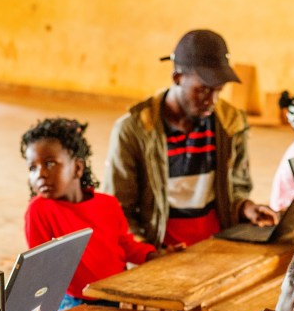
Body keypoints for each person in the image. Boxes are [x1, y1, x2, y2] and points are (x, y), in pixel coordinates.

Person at [104, 29, 278, 249]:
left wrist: (245, 207)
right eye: (203, 90)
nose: (212, 100)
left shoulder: (230, 124)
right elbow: (119, 210)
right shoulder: (134, 130)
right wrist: (147, 253)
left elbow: (236, 188)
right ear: (177, 78)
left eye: (218, 90)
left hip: (217, 244)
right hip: (159, 250)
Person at [21, 117, 158, 310]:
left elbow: (125, 245)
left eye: (50, 163)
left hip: (118, 293)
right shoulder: (40, 210)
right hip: (75, 301)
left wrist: (154, 255)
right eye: (33, 168)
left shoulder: (108, 204)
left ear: (77, 168)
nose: (40, 174)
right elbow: (40, 266)